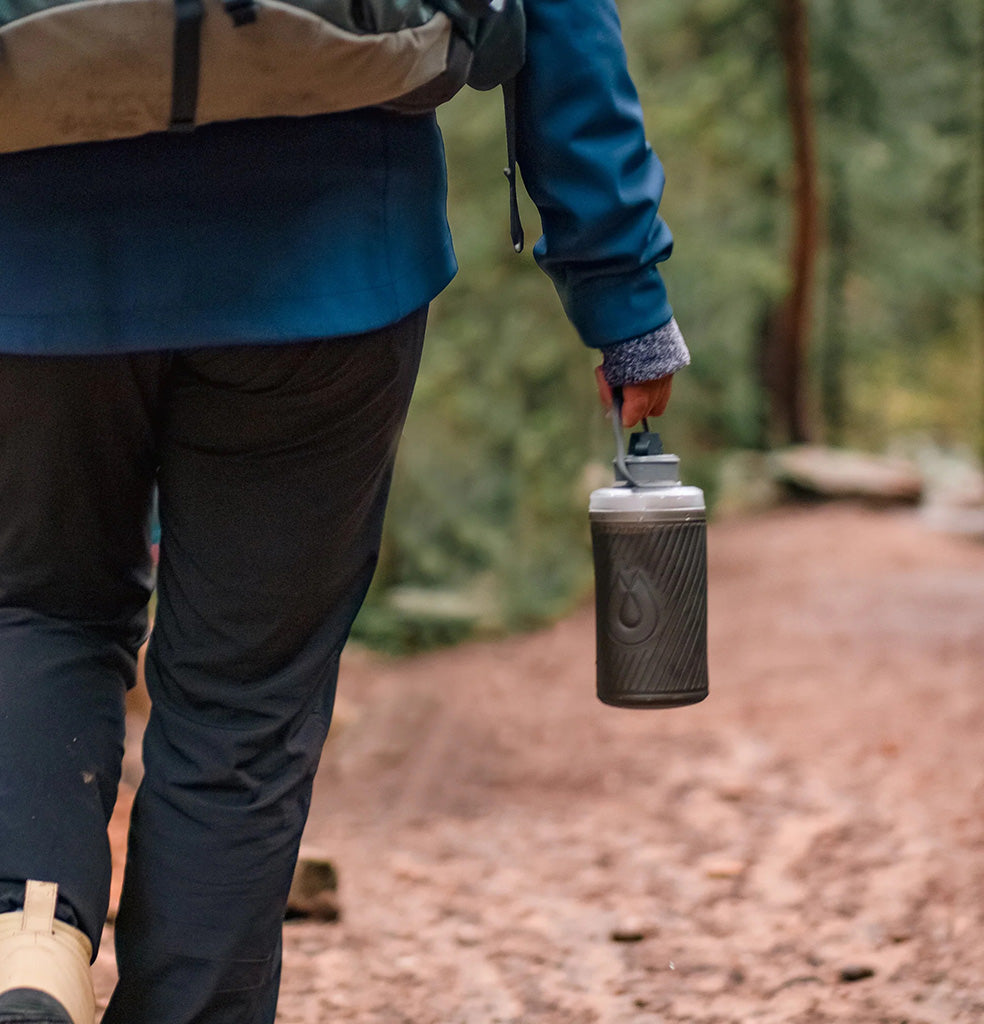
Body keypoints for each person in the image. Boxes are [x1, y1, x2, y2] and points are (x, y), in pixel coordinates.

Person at [0, 1, 689, 1021]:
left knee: (36, 608)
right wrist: (622, 293)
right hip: (327, 249)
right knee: (243, 694)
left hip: (27, 241)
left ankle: (27, 948)